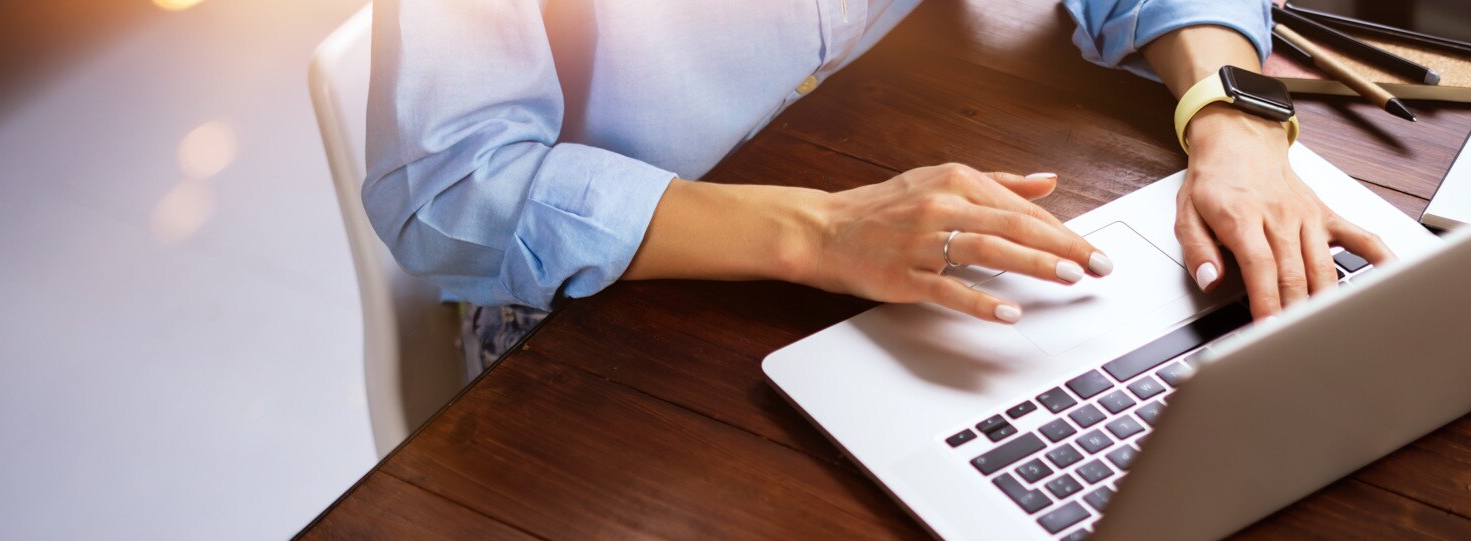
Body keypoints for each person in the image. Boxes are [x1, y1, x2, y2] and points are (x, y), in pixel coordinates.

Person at [365, 0, 1394, 369]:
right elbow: (452, 186)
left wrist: (1234, 121)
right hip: (613, 303)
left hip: (885, 164)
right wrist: (817, 231)